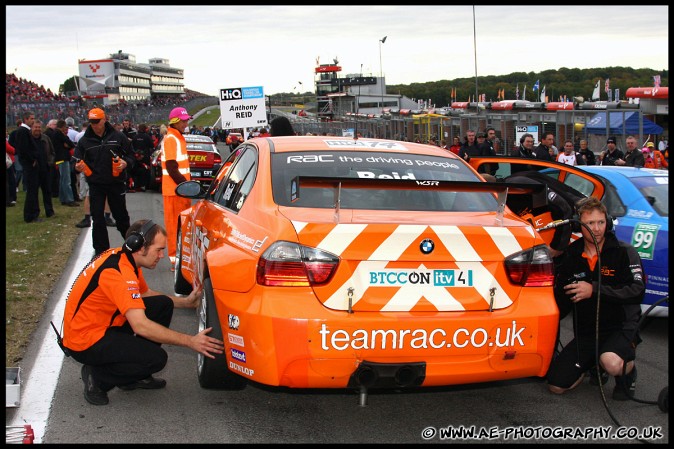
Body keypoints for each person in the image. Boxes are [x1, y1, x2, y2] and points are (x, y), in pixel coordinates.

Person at [61, 219, 224, 406]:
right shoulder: (117, 273)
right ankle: (97, 377)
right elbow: (140, 325)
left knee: (162, 304)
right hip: (84, 341)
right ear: (139, 247)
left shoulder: (124, 258)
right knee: (156, 359)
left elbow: (145, 294)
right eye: (159, 249)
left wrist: (185, 302)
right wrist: (191, 341)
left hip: (102, 326)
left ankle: (133, 374)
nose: (161, 255)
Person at [546, 196, 645, 400]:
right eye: (590, 223)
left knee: (611, 361)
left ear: (607, 222)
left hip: (620, 327)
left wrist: (595, 289)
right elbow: (561, 302)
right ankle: (591, 363)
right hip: (587, 332)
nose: (597, 228)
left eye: (601, 222)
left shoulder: (624, 252)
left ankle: (626, 372)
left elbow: (637, 290)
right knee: (556, 385)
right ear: (579, 225)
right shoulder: (571, 255)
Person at [74, 107, 134, 254]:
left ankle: (132, 246)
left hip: (116, 183)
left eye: (97, 121)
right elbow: (75, 160)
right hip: (96, 183)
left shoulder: (118, 136)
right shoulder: (84, 141)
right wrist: (77, 167)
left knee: (121, 216)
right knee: (97, 217)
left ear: (104, 119)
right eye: (91, 122)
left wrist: (126, 163)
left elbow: (131, 156)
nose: (94, 125)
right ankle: (101, 251)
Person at [161, 107, 193, 269]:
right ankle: (175, 260)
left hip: (180, 191)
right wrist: (185, 184)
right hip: (175, 191)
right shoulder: (172, 139)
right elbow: (172, 167)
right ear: (175, 121)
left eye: (187, 120)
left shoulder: (178, 138)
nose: (186, 123)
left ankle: (181, 258)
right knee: (175, 226)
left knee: (182, 225)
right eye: (183, 120)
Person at [29, 119, 56, 218]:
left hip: (46, 168)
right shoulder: (29, 139)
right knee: (34, 192)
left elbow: (52, 152)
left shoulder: (45, 138)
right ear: (32, 128)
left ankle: (49, 211)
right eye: (35, 127)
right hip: (34, 169)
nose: (37, 129)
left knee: (47, 191)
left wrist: (50, 162)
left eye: (39, 127)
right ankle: (36, 213)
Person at [52, 119, 79, 206]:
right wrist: (68, 145)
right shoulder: (59, 134)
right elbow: (70, 143)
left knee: (62, 179)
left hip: (59, 158)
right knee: (66, 180)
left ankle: (63, 198)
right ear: (63, 127)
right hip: (63, 158)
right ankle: (69, 199)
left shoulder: (55, 134)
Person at [130, 123, 154, 191]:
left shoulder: (135, 136)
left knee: (136, 170)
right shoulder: (147, 136)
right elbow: (152, 145)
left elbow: (132, 146)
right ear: (145, 129)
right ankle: (146, 185)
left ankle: (137, 185)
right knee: (146, 170)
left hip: (136, 157)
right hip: (145, 157)